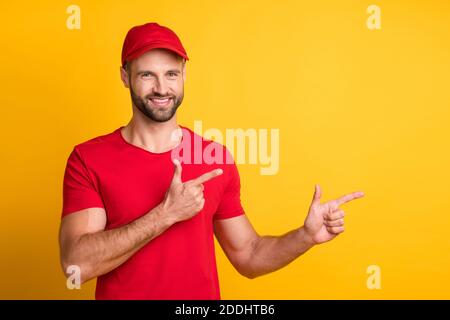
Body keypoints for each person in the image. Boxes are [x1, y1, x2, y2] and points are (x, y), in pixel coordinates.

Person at [58, 22, 365, 300]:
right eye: (147, 75)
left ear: (184, 76)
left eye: (171, 74)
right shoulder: (89, 159)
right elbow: (76, 264)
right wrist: (165, 214)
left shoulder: (213, 159)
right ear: (125, 76)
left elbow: (248, 255)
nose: (162, 88)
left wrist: (305, 236)